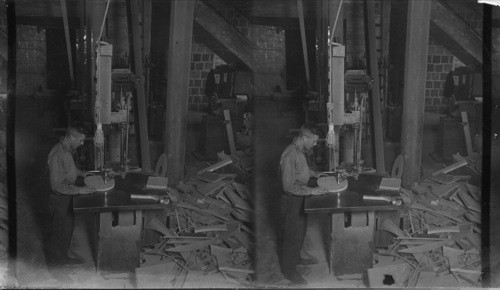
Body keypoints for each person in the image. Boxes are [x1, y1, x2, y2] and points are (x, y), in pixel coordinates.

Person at [279, 124, 327, 285]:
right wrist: (311, 191)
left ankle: (296, 258)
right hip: (291, 200)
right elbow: (288, 186)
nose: (315, 144)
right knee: (292, 235)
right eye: (313, 141)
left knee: (300, 231)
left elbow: (300, 171)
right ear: (305, 138)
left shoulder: (299, 151)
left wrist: (315, 174)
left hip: (299, 197)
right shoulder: (289, 154)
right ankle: (289, 271)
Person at [46, 122, 95, 266]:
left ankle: (63, 256)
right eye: (80, 140)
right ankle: (56, 269)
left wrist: (82, 173)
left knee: (67, 230)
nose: (81, 144)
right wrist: (80, 190)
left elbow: (67, 170)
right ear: (71, 136)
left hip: (67, 196)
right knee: (60, 233)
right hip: (59, 198)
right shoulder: (58, 154)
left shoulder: (66, 150)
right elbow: (56, 186)